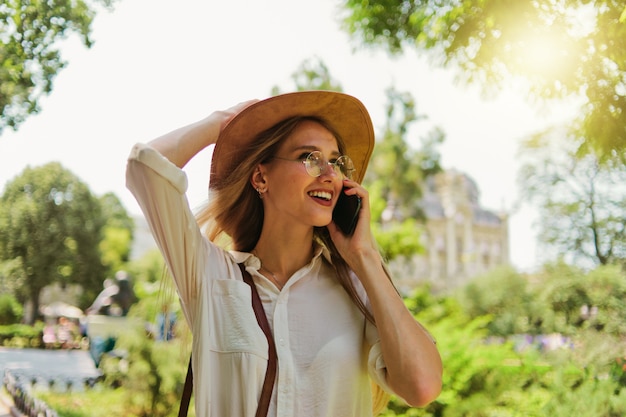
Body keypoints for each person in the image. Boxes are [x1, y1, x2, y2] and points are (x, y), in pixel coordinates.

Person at [126, 91, 442, 417]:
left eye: (335, 162)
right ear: (261, 177)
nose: (330, 174)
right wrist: (223, 121)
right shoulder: (211, 275)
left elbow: (422, 386)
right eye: (310, 157)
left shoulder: (357, 286)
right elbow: (144, 167)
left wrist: (364, 255)